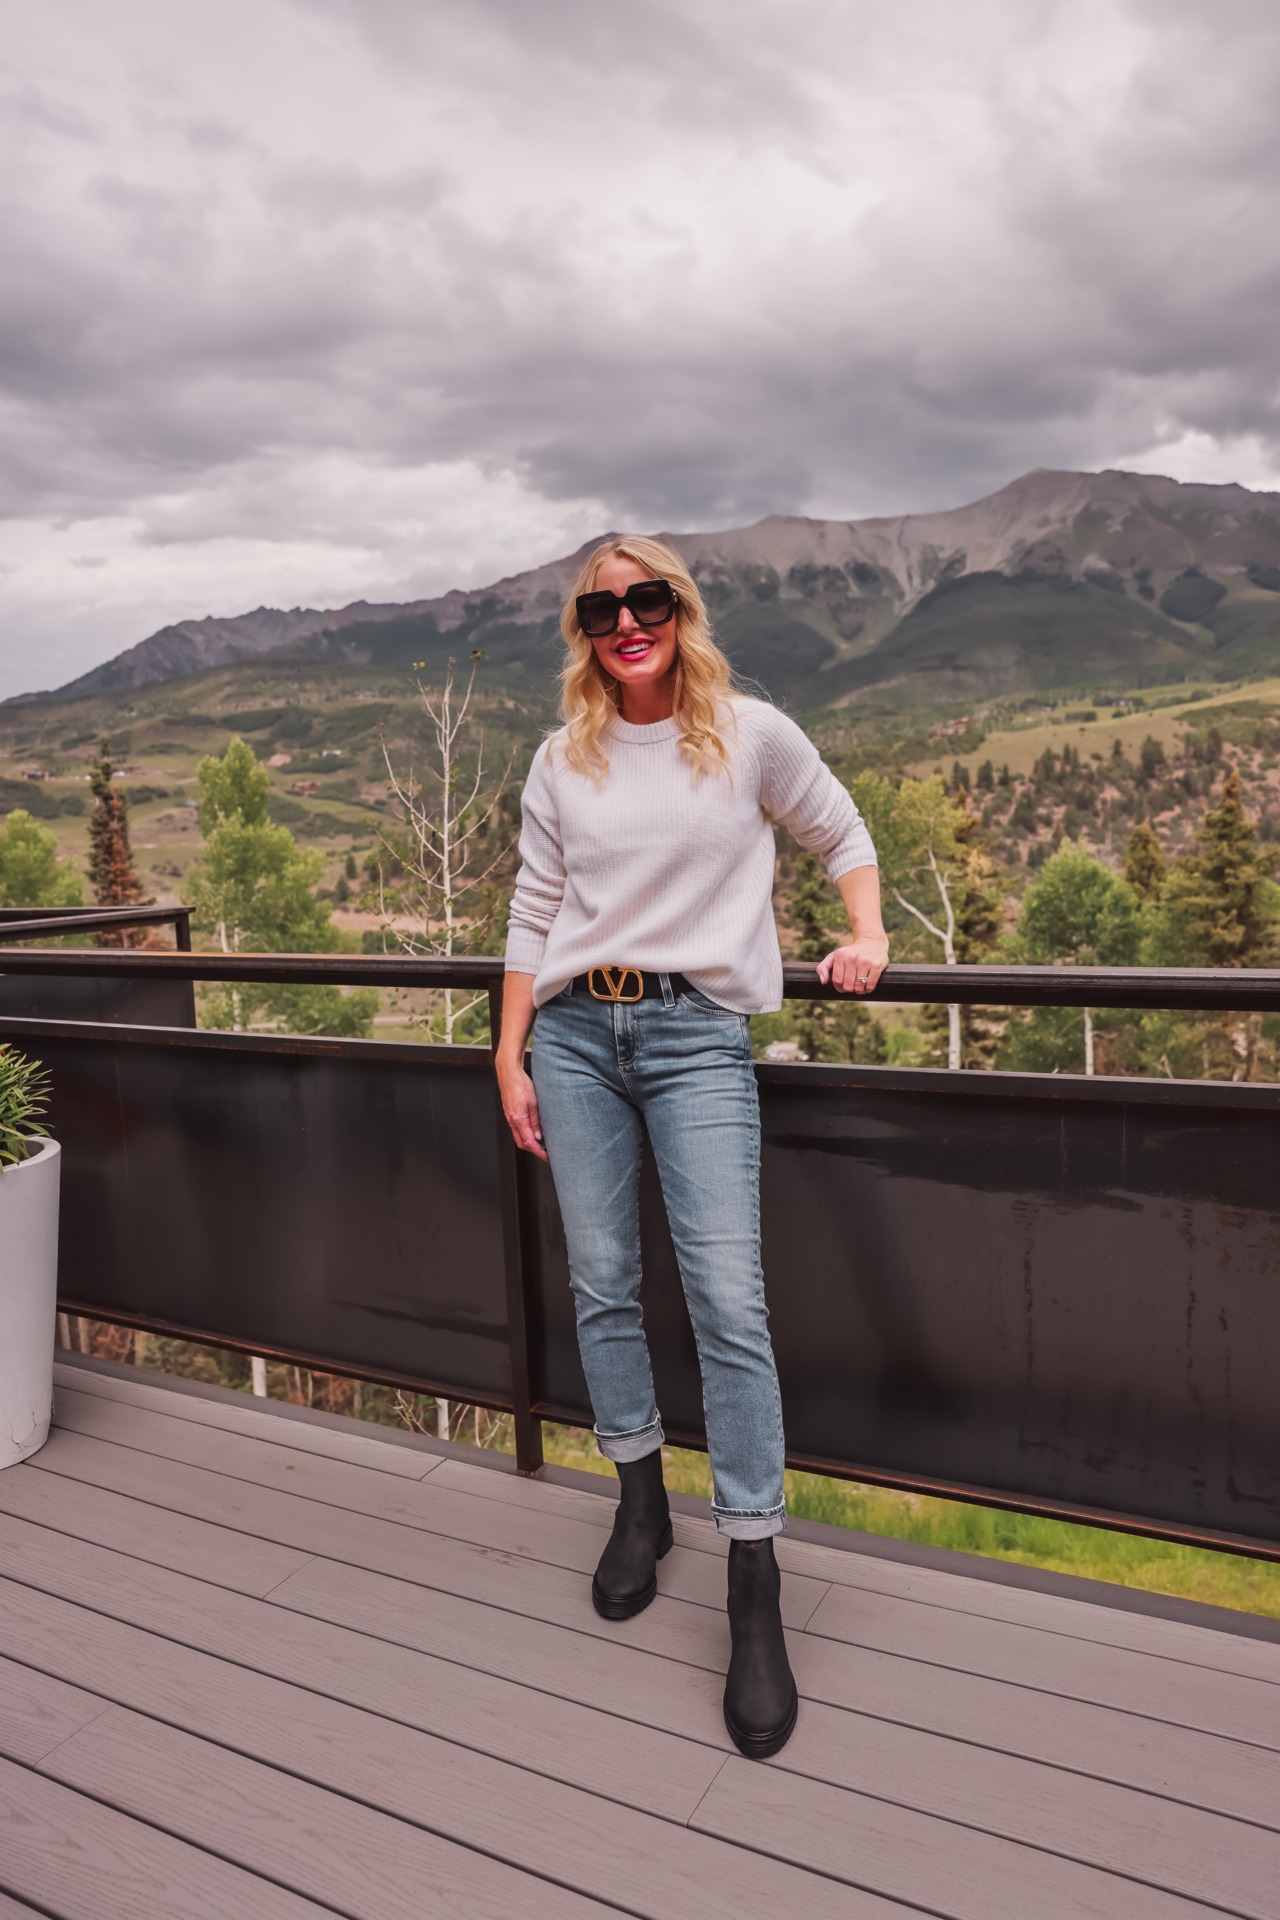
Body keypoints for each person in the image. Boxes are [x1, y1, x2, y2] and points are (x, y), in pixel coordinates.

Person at [495, 535, 887, 1758]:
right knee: (602, 1283)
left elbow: (841, 831)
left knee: (727, 1302)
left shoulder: (751, 734)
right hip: (571, 1036)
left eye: (645, 600)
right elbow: (533, 904)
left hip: (694, 1037)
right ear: (582, 628)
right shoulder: (565, 757)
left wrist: (862, 935)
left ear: (679, 609)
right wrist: (506, 1052)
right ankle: (637, 1504)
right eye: (602, 608)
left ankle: (753, 1578)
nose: (627, 622)